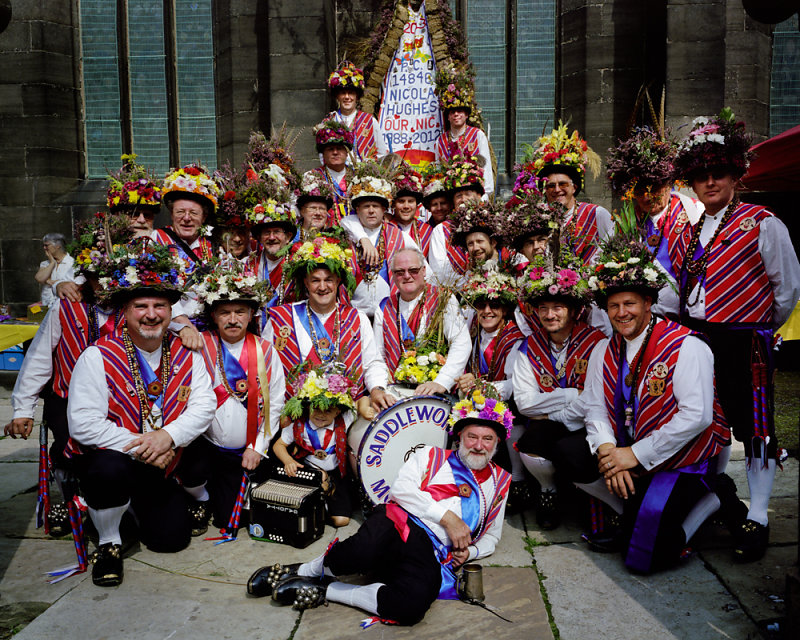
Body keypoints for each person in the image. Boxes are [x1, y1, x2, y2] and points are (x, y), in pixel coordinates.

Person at [248, 393, 513, 626]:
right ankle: (306, 569)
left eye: (487, 439)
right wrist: (448, 518)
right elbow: (401, 490)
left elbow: (492, 536)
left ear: (497, 442)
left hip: (431, 552)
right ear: (459, 438)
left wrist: (469, 552)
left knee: (411, 607)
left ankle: (326, 589)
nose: (479, 445)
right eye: (472, 437)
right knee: (363, 550)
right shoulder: (431, 456)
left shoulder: (501, 482)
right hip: (399, 523)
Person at [670, 109, 800, 561]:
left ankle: (759, 515)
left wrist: (757, 324)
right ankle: (717, 501)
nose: (710, 183)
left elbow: (787, 288)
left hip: (745, 338)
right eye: (701, 176)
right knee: (707, 420)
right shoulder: (691, 230)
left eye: (718, 174)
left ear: (735, 175)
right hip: (697, 339)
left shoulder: (763, 222)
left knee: (756, 428)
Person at [572, 238, 730, 573]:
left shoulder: (686, 345)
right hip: (631, 451)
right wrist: (608, 453)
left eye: (629, 303)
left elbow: (697, 417)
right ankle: (634, 518)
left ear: (648, 302)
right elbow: (594, 406)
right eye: (613, 306)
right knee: (570, 456)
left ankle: (714, 499)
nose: (621, 313)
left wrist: (634, 455)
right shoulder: (604, 349)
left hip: (684, 459)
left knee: (644, 559)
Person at [67, 240, 216, 587]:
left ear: (171, 310)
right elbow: (83, 424)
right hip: (121, 459)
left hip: (165, 458)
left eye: (160, 306)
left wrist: (167, 437)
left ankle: (129, 509)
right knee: (106, 468)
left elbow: (204, 404)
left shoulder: (187, 352)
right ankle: (108, 541)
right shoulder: (97, 356)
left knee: (172, 541)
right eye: (141, 306)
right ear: (125, 310)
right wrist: (145, 445)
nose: (151, 314)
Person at [5, 214, 132, 536]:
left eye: (113, 276)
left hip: (120, 401)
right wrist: (23, 409)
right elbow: (38, 360)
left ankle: (112, 502)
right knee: (67, 448)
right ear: (86, 277)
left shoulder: (135, 310)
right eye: (97, 276)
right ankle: (69, 495)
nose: (105, 284)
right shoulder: (65, 307)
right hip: (67, 398)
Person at [178, 260, 285, 534]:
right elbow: (161, 319)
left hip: (245, 452)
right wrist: (182, 327)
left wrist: (257, 447)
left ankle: (216, 497)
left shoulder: (266, 350)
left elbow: (275, 406)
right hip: (205, 446)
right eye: (225, 312)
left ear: (252, 315)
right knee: (191, 469)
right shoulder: (200, 344)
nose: (233, 319)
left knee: (232, 522)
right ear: (213, 315)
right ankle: (199, 498)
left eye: (240, 311)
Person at [511, 255, 605, 529]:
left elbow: (594, 399)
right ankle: (547, 491)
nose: (550, 315)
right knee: (530, 441)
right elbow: (525, 403)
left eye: (558, 307)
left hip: (588, 424)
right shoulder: (528, 347)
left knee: (570, 449)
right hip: (556, 421)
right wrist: (570, 395)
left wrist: (555, 413)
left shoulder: (596, 343)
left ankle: (592, 496)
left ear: (574, 311)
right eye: (543, 308)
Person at [263, 235, 393, 413]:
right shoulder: (281, 318)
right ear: (306, 283)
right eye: (315, 280)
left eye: (329, 280)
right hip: (294, 418)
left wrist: (377, 389)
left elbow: (373, 363)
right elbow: (265, 367)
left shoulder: (357, 318)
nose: (322, 287)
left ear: (338, 281)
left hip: (347, 417)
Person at [455, 267, 526, 504]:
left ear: (505, 309)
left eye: (494, 305)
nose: (487, 311)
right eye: (481, 305)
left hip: (505, 402)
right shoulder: (472, 331)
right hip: (476, 399)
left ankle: (517, 479)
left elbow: (513, 385)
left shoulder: (514, 338)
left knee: (511, 417)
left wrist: (479, 388)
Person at [606, 126, 703, 283]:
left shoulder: (695, 212)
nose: (646, 197)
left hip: (684, 303)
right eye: (638, 191)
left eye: (653, 189)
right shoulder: (622, 224)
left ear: (668, 184)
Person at [373, 247, 470, 398]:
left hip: (437, 393)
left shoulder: (443, 299)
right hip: (396, 393)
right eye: (400, 272)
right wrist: (380, 389)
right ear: (392, 275)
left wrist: (442, 382)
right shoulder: (384, 307)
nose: (407, 276)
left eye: (413, 270)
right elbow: (377, 356)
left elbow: (461, 343)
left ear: (424, 271)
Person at [273, 363, 357, 527]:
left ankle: (323, 510)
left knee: (342, 521)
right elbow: (278, 445)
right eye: (316, 408)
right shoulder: (299, 426)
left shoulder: (344, 421)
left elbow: (361, 401)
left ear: (338, 411)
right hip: (309, 472)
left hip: (336, 474)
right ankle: (314, 507)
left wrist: (366, 407)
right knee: (301, 507)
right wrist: (288, 461)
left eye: (328, 410)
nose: (320, 414)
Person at [518, 123, 612, 264]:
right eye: (551, 186)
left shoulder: (596, 214)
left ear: (574, 187)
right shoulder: (537, 219)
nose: (557, 190)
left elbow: (614, 248)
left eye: (563, 184)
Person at [152, 163, 221, 344]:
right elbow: (153, 290)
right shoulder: (157, 240)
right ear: (171, 214)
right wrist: (183, 325)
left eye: (194, 213)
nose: (187, 218)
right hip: (169, 330)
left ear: (204, 217)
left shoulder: (213, 247)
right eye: (180, 212)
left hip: (208, 332)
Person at [339, 161, 406, 318]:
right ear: (357, 210)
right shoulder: (347, 233)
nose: (370, 211)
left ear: (384, 210)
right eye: (366, 206)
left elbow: (422, 268)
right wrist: (363, 239)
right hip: (353, 314)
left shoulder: (398, 235)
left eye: (375, 206)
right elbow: (345, 221)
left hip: (388, 314)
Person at [433, 64, 494, 197]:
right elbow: (438, 171)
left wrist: (484, 196)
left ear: (466, 115)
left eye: (460, 111)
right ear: (448, 116)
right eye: (452, 112)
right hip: (449, 195)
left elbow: (486, 168)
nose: (456, 115)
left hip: (473, 194)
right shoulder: (441, 141)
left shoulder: (477, 135)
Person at [427, 155, 483, 285]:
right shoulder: (441, 231)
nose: (463, 199)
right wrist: (468, 286)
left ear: (479, 195)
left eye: (468, 194)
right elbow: (440, 272)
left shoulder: (493, 224)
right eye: (458, 196)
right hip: (455, 297)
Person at [244, 177, 297, 307]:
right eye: (267, 233)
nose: (272, 237)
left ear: (288, 237)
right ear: (259, 237)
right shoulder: (250, 264)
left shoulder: (297, 262)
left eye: (277, 232)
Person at [324, 60, 386, 162]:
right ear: (337, 96)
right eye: (343, 93)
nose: (347, 97)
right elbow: (323, 154)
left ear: (357, 96)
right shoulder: (329, 121)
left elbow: (381, 153)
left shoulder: (369, 121)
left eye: (351, 93)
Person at [309, 120, 355, 226]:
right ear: (323, 154)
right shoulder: (312, 177)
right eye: (330, 149)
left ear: (347, 153)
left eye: (339, 149)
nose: (335, 152)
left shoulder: (358, 177)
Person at [389, 165, 433, 257]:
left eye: (411, 201)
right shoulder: (386, 228)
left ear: (417, 205)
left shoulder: (427, 230)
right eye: (401, 201)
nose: (406, 206)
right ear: (393, 204)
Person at [449, 200, 504, 271]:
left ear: (493, 242)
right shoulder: (469, 273)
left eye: (480, 241)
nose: (475, 248)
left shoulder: (514, 263)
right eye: (470, 244)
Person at [36, 233, 76, 308]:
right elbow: (40, 278)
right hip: (47, 305)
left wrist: (49, 281)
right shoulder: (45, 263)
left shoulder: (72, 263)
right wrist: (52, 263)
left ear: (57, 246)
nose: (44, 248)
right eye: (43, 245)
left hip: (64, 306)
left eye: (47, 245)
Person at [295, 170, 335, 242]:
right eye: (313, 208)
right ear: (302, 211)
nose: (318, 213)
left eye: (322, 209)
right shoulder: (291, 238)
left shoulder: (333, 239)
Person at [420, 162, 451, 227]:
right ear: (429, 207)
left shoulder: (458, 227)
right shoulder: (422, 231)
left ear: (450, 204)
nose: (439, 208)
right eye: (434, 204)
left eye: (443, 203)